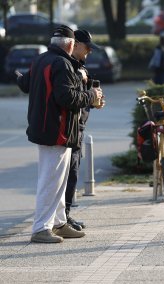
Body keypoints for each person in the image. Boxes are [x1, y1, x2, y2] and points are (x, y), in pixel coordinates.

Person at [16, 25, 103, 243]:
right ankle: (41, 228)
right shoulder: (61, 64)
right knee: (51, 181)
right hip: (57, 130)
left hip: (48, 129)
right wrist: (91, 95)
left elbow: (24, 84)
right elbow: (67, 98)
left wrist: (19, 76)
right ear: (71, 44)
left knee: (58, 180)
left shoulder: (41, 59)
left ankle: (58, 222)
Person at [65, 29, 105, 231]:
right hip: (68, 129)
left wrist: (95, 100)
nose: (89, 51)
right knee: (66, 175)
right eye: (87, 47)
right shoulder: (67, 66)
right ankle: (61, 218)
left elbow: (84, 97)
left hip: (79, 127)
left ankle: (66, 215)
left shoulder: (81, 67)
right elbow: (69, 97)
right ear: (76, 45)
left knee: (73, 173)